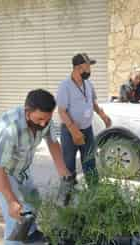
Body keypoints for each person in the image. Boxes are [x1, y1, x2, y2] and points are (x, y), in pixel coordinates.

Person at [0, 89, 70, 245]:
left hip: (21, 170)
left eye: (46, 120)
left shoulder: (45, 120)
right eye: (39, 119)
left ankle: (29, 233)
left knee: (34, 201)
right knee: (15, 216)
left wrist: (63, 171)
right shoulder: (9, 127)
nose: (42, 124)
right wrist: (12, 200)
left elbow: (52, 142)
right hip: (0, 172)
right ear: (27, 110)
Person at [57, 53, 111, 184]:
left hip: (87, 129)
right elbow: (61, 111)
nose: (90, 70)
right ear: (78, 68)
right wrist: (73, 130)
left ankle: (94, 193)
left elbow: (92, 102)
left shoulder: (88, 83)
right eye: (88, 66)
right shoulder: (65, 86)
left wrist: (102, 115)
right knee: (68, 164)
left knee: (90, 162)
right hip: (69, 132)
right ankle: (67, 194)